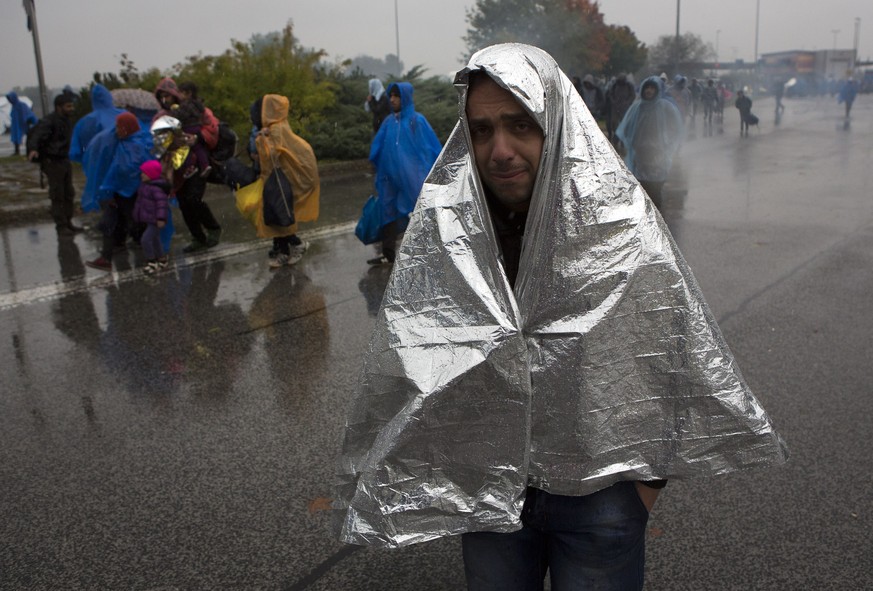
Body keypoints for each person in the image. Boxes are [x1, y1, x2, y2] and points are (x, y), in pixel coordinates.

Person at [336, 44, 787, 589]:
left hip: (600, 502)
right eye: (481, 131)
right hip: (490, 497)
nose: (499, 149)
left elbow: (672, 348)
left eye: (519, 125)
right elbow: (413, 357)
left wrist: (642, 491)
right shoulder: (450, 237)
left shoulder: (619, 225)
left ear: (556, 122)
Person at [367, 81, 442, 265]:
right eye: (390, 96)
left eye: (396, 96)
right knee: (388, 212)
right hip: (390, 179)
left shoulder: (417, 121)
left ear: (405, 98)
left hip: (413, 177)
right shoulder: (389, 122)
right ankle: (388, 253)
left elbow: (429, 149)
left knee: (419, 212)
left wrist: (425, 174)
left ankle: (429, 250)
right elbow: (378, 146)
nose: (392, 99)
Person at [250, 94, 320, 268]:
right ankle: (284, 251)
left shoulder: (275, 129)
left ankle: (295, 245)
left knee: (280, 214)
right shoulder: (278, 126)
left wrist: (261, 139)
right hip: (278, 180)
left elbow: (271, 155)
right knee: (276, 215)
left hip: (280, 181)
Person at [153, 77, 222, 252]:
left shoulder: (198, 111)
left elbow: (212, 128)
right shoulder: (161, 117)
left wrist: (197, 138)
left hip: (195, 162)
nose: (164, 100)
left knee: (193, 198)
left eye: (167, 96)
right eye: (161, 96)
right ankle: (197, 237)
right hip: (176, 167)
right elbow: (157, 140)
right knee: (184, 203)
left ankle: (213, 228)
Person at [85, 112, 153, 272]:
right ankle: (106, 258)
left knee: (134, 224)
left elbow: (124, 170)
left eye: (119, 127)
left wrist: (109, 188)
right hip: (120, 193)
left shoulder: (133, 145)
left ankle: (151, 257)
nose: (116, 130)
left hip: (128, 193)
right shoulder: (130, 142)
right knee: (109, 224)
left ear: (126, 128)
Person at [615, 76, 684, 209]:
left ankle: (658, 218)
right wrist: (621, 140)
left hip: (658, 153)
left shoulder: (665, 107)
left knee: (656, 188)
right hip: (640, 154)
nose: (649, 91)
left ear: (658, 90)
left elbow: (675, 127)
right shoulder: (637, 107)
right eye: (647, 88)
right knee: (642, 188)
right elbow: (626, 126)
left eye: (652, 88)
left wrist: (668, 144)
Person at [25, 93, 82, 235]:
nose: (71, 109)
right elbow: (37, 135)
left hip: (64, 160)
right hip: (53, 162)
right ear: (59, 107)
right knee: (58, 195)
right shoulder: (49, 121)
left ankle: (68, 222)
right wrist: (33, 149)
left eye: (71, 106)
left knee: (69, 193)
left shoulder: (67, 121)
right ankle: (61, 226)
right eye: (68, 106)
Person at [69, 83, 124, 163]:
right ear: (108, 97)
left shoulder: (82, 122)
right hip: (120, 162)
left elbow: (75, 152)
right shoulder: (123, 115)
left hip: (94, 164)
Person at [133, 160, 171, 274]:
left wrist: (161, 219)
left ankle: (151, 261)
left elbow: (162, 205)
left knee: (145, 240)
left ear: (151, 174)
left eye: (144, 173)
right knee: (155, 239)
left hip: (155, 220)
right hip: (150, 219)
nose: (141, 175)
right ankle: (162, 259)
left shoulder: (156, 189)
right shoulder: (145, 186)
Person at [604, 73, 636, 146]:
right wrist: (613, 101)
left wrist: (627, 102)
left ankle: (622, 142)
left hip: (625, 108)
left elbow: (632, 95)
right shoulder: (615, 85)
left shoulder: (629, 86)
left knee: (624, 125)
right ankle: (616, 139)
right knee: (614, 124)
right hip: (615, 108)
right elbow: (611, 94)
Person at [5, 91, 37, 156]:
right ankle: (17, 151)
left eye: (10, 98)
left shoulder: (21, 105)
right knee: (16, 138)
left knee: (30, 139)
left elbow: (28, 114)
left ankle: (30, 151)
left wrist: (28, 121)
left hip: (27, 125)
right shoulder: (14, 106)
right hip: (17, 125)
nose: (9, 100)